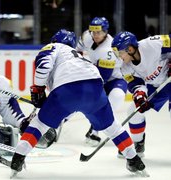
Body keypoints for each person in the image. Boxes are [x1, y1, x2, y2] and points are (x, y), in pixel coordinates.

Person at [9, 29, 146, 177]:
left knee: (39, 124)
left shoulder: (54, 47)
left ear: (55, 40)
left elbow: (44, 66)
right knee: (113, 127)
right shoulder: (79, 56)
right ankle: (134, 160)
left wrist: (38, 89)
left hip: (67, 91)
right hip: (95, 89)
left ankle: (18, 158)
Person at [111, 31, 171, 157]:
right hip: (155, 86)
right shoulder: (125, 67)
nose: (119, 56)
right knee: (134, 110)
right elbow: (136, 84)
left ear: (130, 49)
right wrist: (139, 95)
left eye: (120, 52)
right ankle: (138, 143)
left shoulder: (152, 44)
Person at [76, 17, 127, 146]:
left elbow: (104, 77)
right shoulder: (87, 36)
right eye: (93, 32)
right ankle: (59, 121)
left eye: (99, 32)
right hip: (97, 73)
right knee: (79, 97)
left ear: (105, 32)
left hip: (115, 78)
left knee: (116, 96)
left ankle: (95, 129)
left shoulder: (109, 49)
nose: (95, 35)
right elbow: (76, 51)